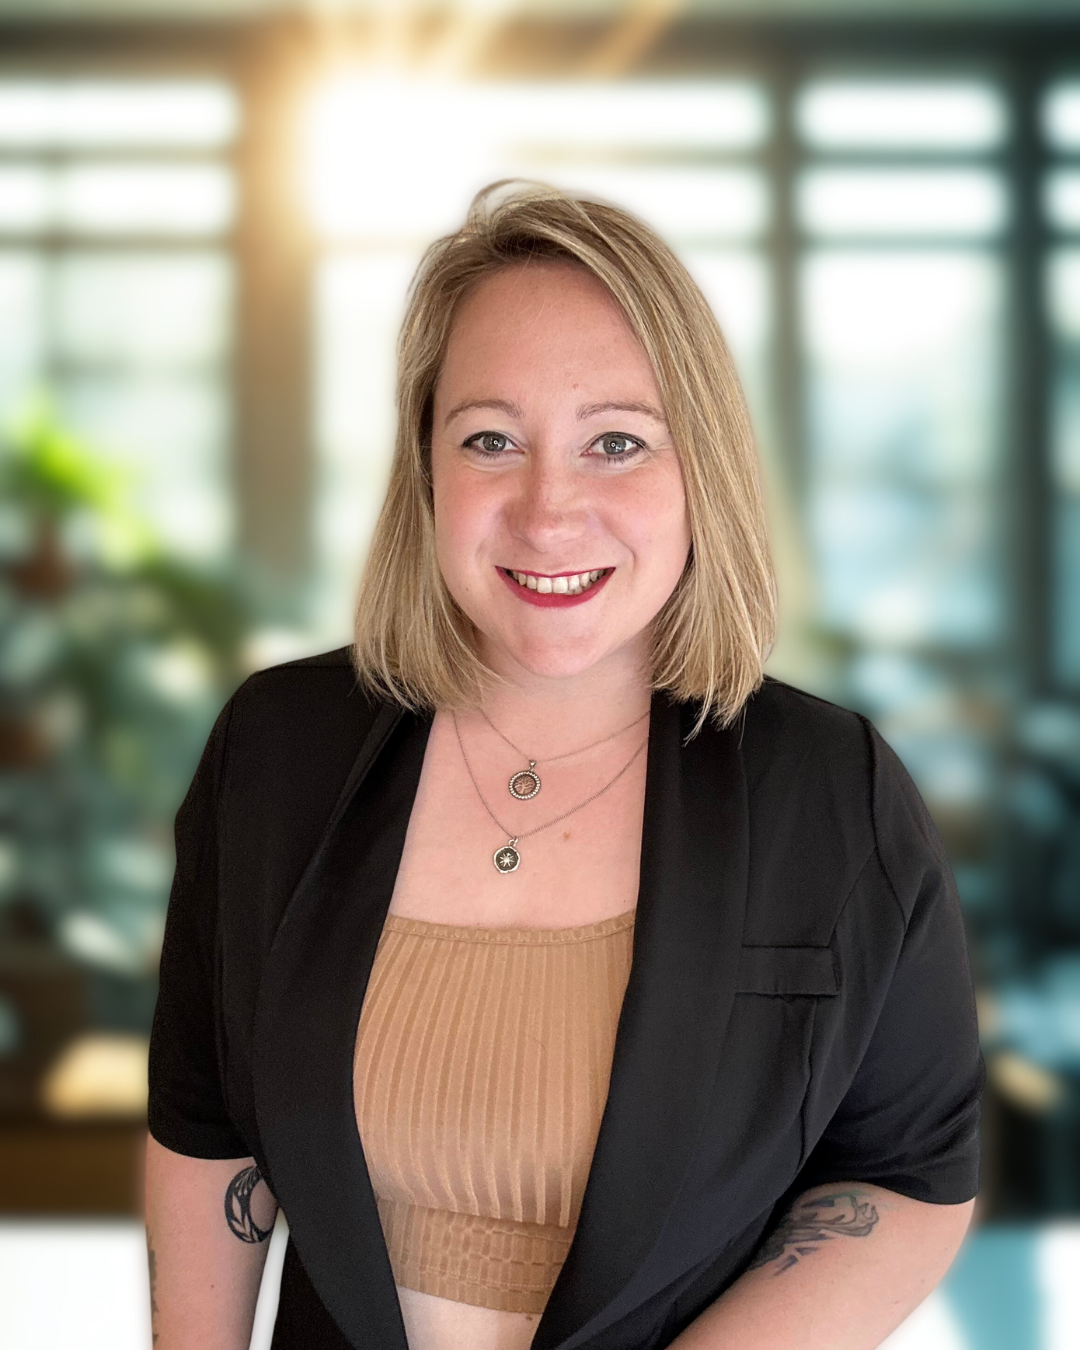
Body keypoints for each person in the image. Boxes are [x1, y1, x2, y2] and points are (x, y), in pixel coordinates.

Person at [144, 182, 983, 1350]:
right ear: (427, 467)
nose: (549, 513)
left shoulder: (833, 791)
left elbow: (905, 1173)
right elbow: (204, 1129)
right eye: (490, 439)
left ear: (701, 468)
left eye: (617, 443)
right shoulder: (277, 747)